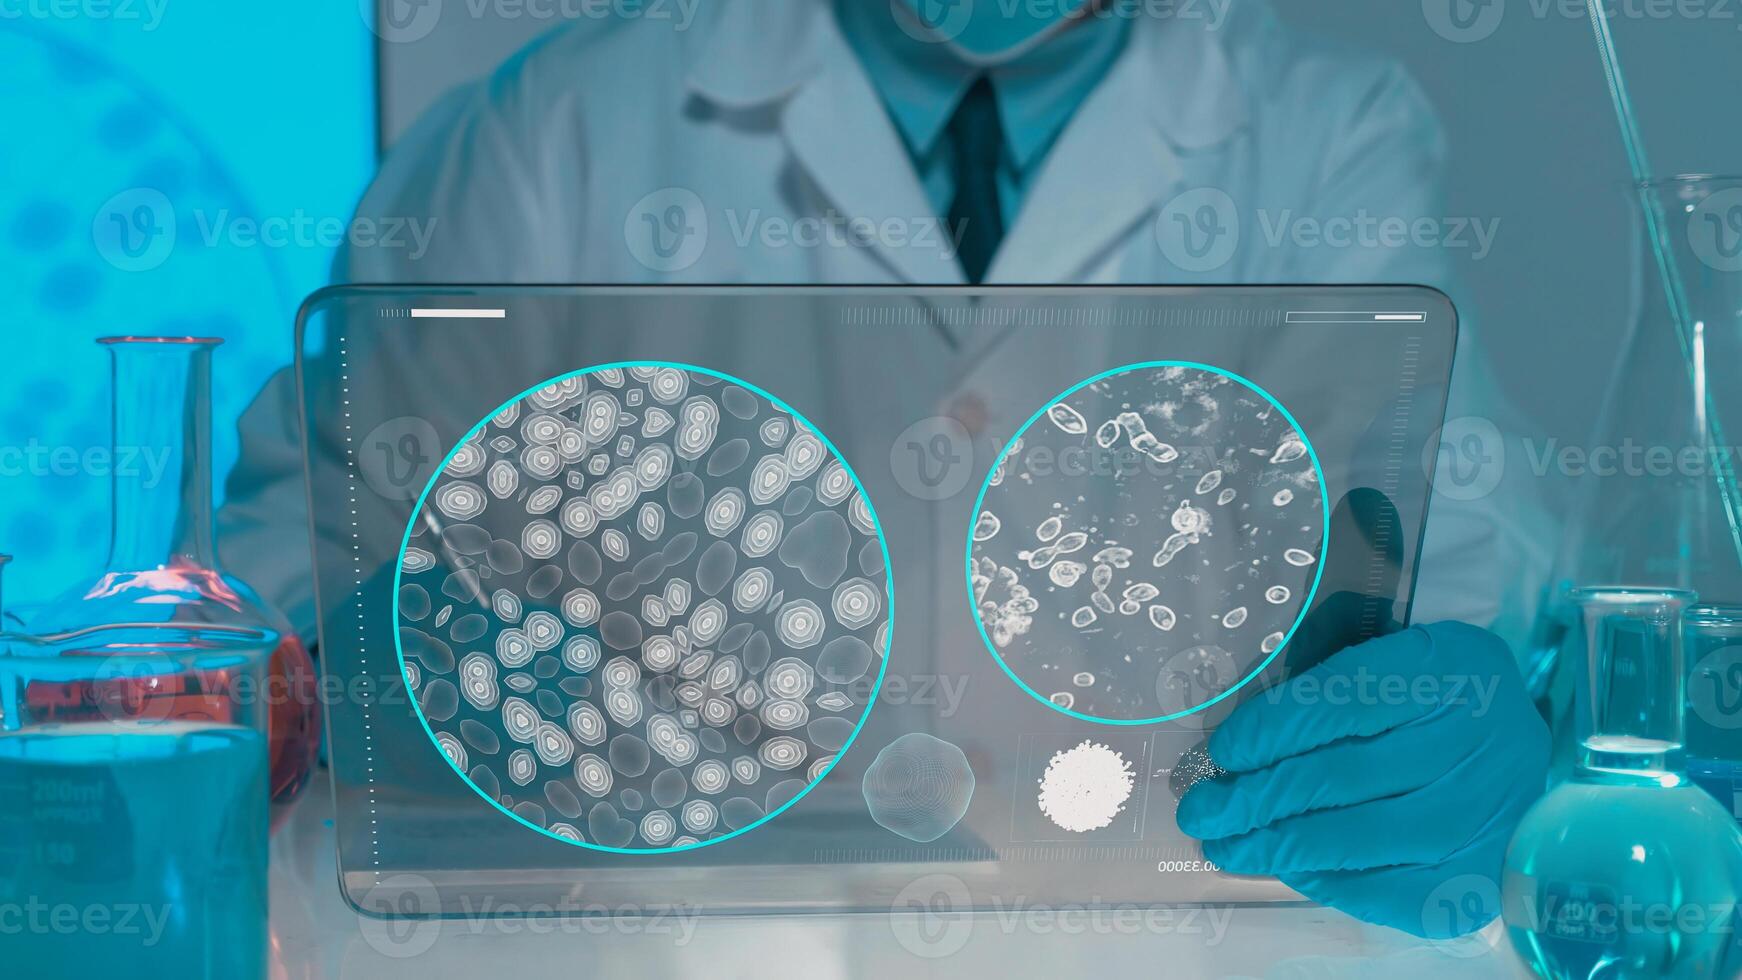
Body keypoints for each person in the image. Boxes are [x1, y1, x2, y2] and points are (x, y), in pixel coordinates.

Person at [218, 0, 1553, 938]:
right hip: (643, 947)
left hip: (1150, 939)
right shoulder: (558, 128)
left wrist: (1438, 716)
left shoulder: (1317, 132)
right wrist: (361, 665)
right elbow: (276, 584)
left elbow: (1432, 552)